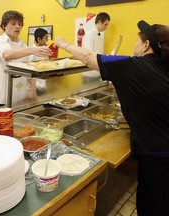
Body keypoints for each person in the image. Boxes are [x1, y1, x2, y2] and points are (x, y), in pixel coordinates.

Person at [54, 20, 169, 216]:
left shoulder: (133, 66)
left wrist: (63, 43)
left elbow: (89, 58)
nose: (134, 45)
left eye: (136, 41)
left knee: (153, 208)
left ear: (146, 45)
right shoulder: (162, 67)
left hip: (159, 156)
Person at [0, 10, 52, 108]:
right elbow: (7, 54)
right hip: (3, 96)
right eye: (13, 24)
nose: (17, 27)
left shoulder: (22, 44)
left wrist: (32, 90)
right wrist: (32, 49)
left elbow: (31, 69)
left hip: (22, 95)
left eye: (20, 24)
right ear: (4, 26)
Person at [81, 12, 111, 82]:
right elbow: (89, 54)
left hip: (97, 71)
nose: (106, 27)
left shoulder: (100, 35)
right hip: (89, 73)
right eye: (105, 24)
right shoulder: (90, 35)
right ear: (99, 22)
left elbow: (98, 53)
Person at [29, 28, 49, 95]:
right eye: (46, 38)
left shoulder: (45, 49)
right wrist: (32, 89)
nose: (47, 40)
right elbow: (31, 72)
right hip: (37, 85)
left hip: (45, 83)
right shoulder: (31, 52)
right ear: (39, 39)